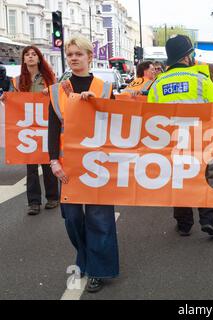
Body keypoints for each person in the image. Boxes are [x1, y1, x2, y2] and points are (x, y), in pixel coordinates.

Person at [48, 36, 119, 293]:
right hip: (68, 164)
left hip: (99, 164)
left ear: (90, 56)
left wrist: (98, 105)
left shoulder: (104, 88)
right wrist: (53, 160)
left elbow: (117, 125)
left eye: (79, 54)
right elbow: (53, 128)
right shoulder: (58, 90)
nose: (74, 58)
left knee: (100, 218)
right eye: (70, 55)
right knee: (73, 217)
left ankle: (98, 269)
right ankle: (85, 257)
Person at [147, 34, 213, 237]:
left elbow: (149, 115)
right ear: (186, 57)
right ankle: (208, 220)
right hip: (201, 139)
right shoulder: (201, 80)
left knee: (179, 181)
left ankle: (184, 224)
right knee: (205, 178)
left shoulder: (158, 83)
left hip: (171, 142)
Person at [2, 46, 59, 216]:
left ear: (39, 59)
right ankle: (33, 202)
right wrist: (6, 99)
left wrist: (50, 91)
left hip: (46, 126)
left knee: (48, 163)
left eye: (34, 54)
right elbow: (13, 102)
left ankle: (52, 197)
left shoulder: (49, 79)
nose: (31, 57)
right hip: (27, 128)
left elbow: (58, 97)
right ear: (24, 60)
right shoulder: (17, 81)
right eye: (27, 55)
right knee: (31, 166)